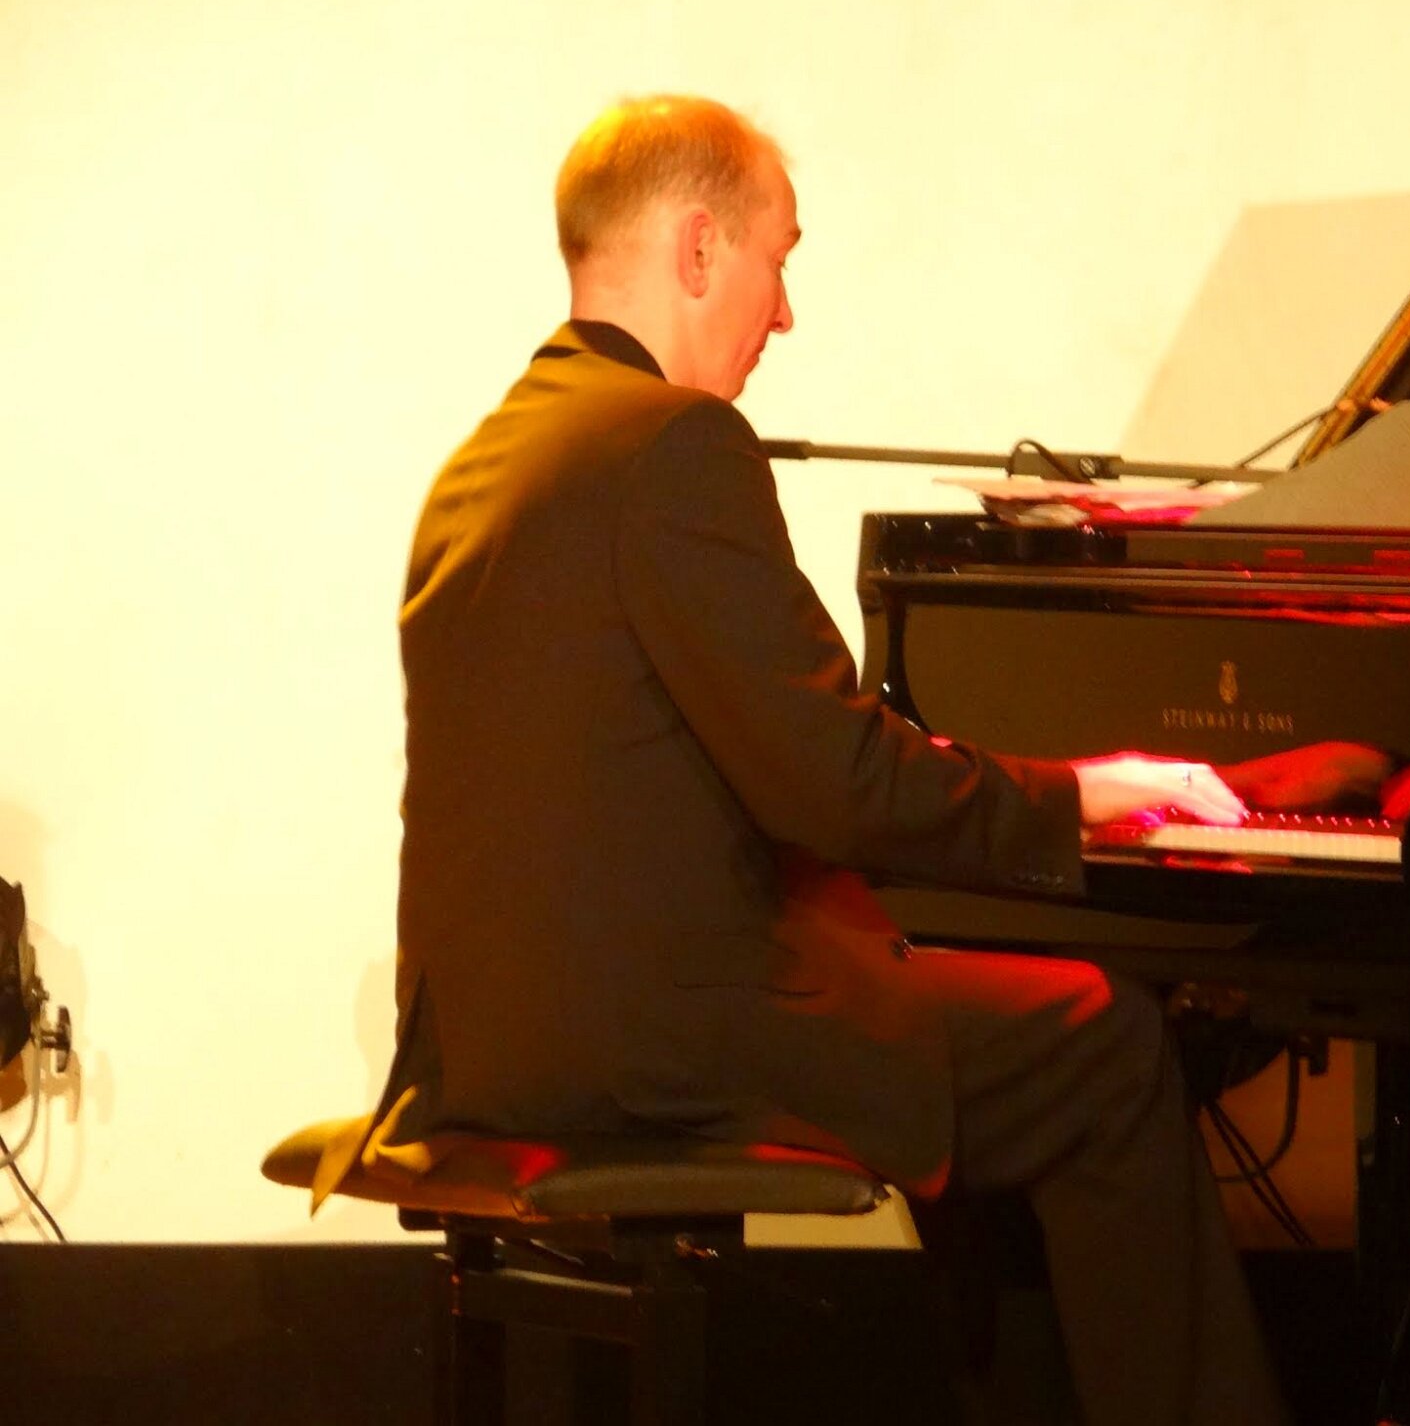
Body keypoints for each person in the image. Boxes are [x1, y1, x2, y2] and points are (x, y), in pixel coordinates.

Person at [335, 93, 1295, 1425]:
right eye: (779, 261)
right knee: (1106, 1044)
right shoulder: (671, 444)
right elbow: (833, 782)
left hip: (494, 1043)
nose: (784, 313)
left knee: (965, 1023)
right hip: (655, 1043)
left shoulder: (494, 454)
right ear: (699, 246)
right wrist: (1084, 796)